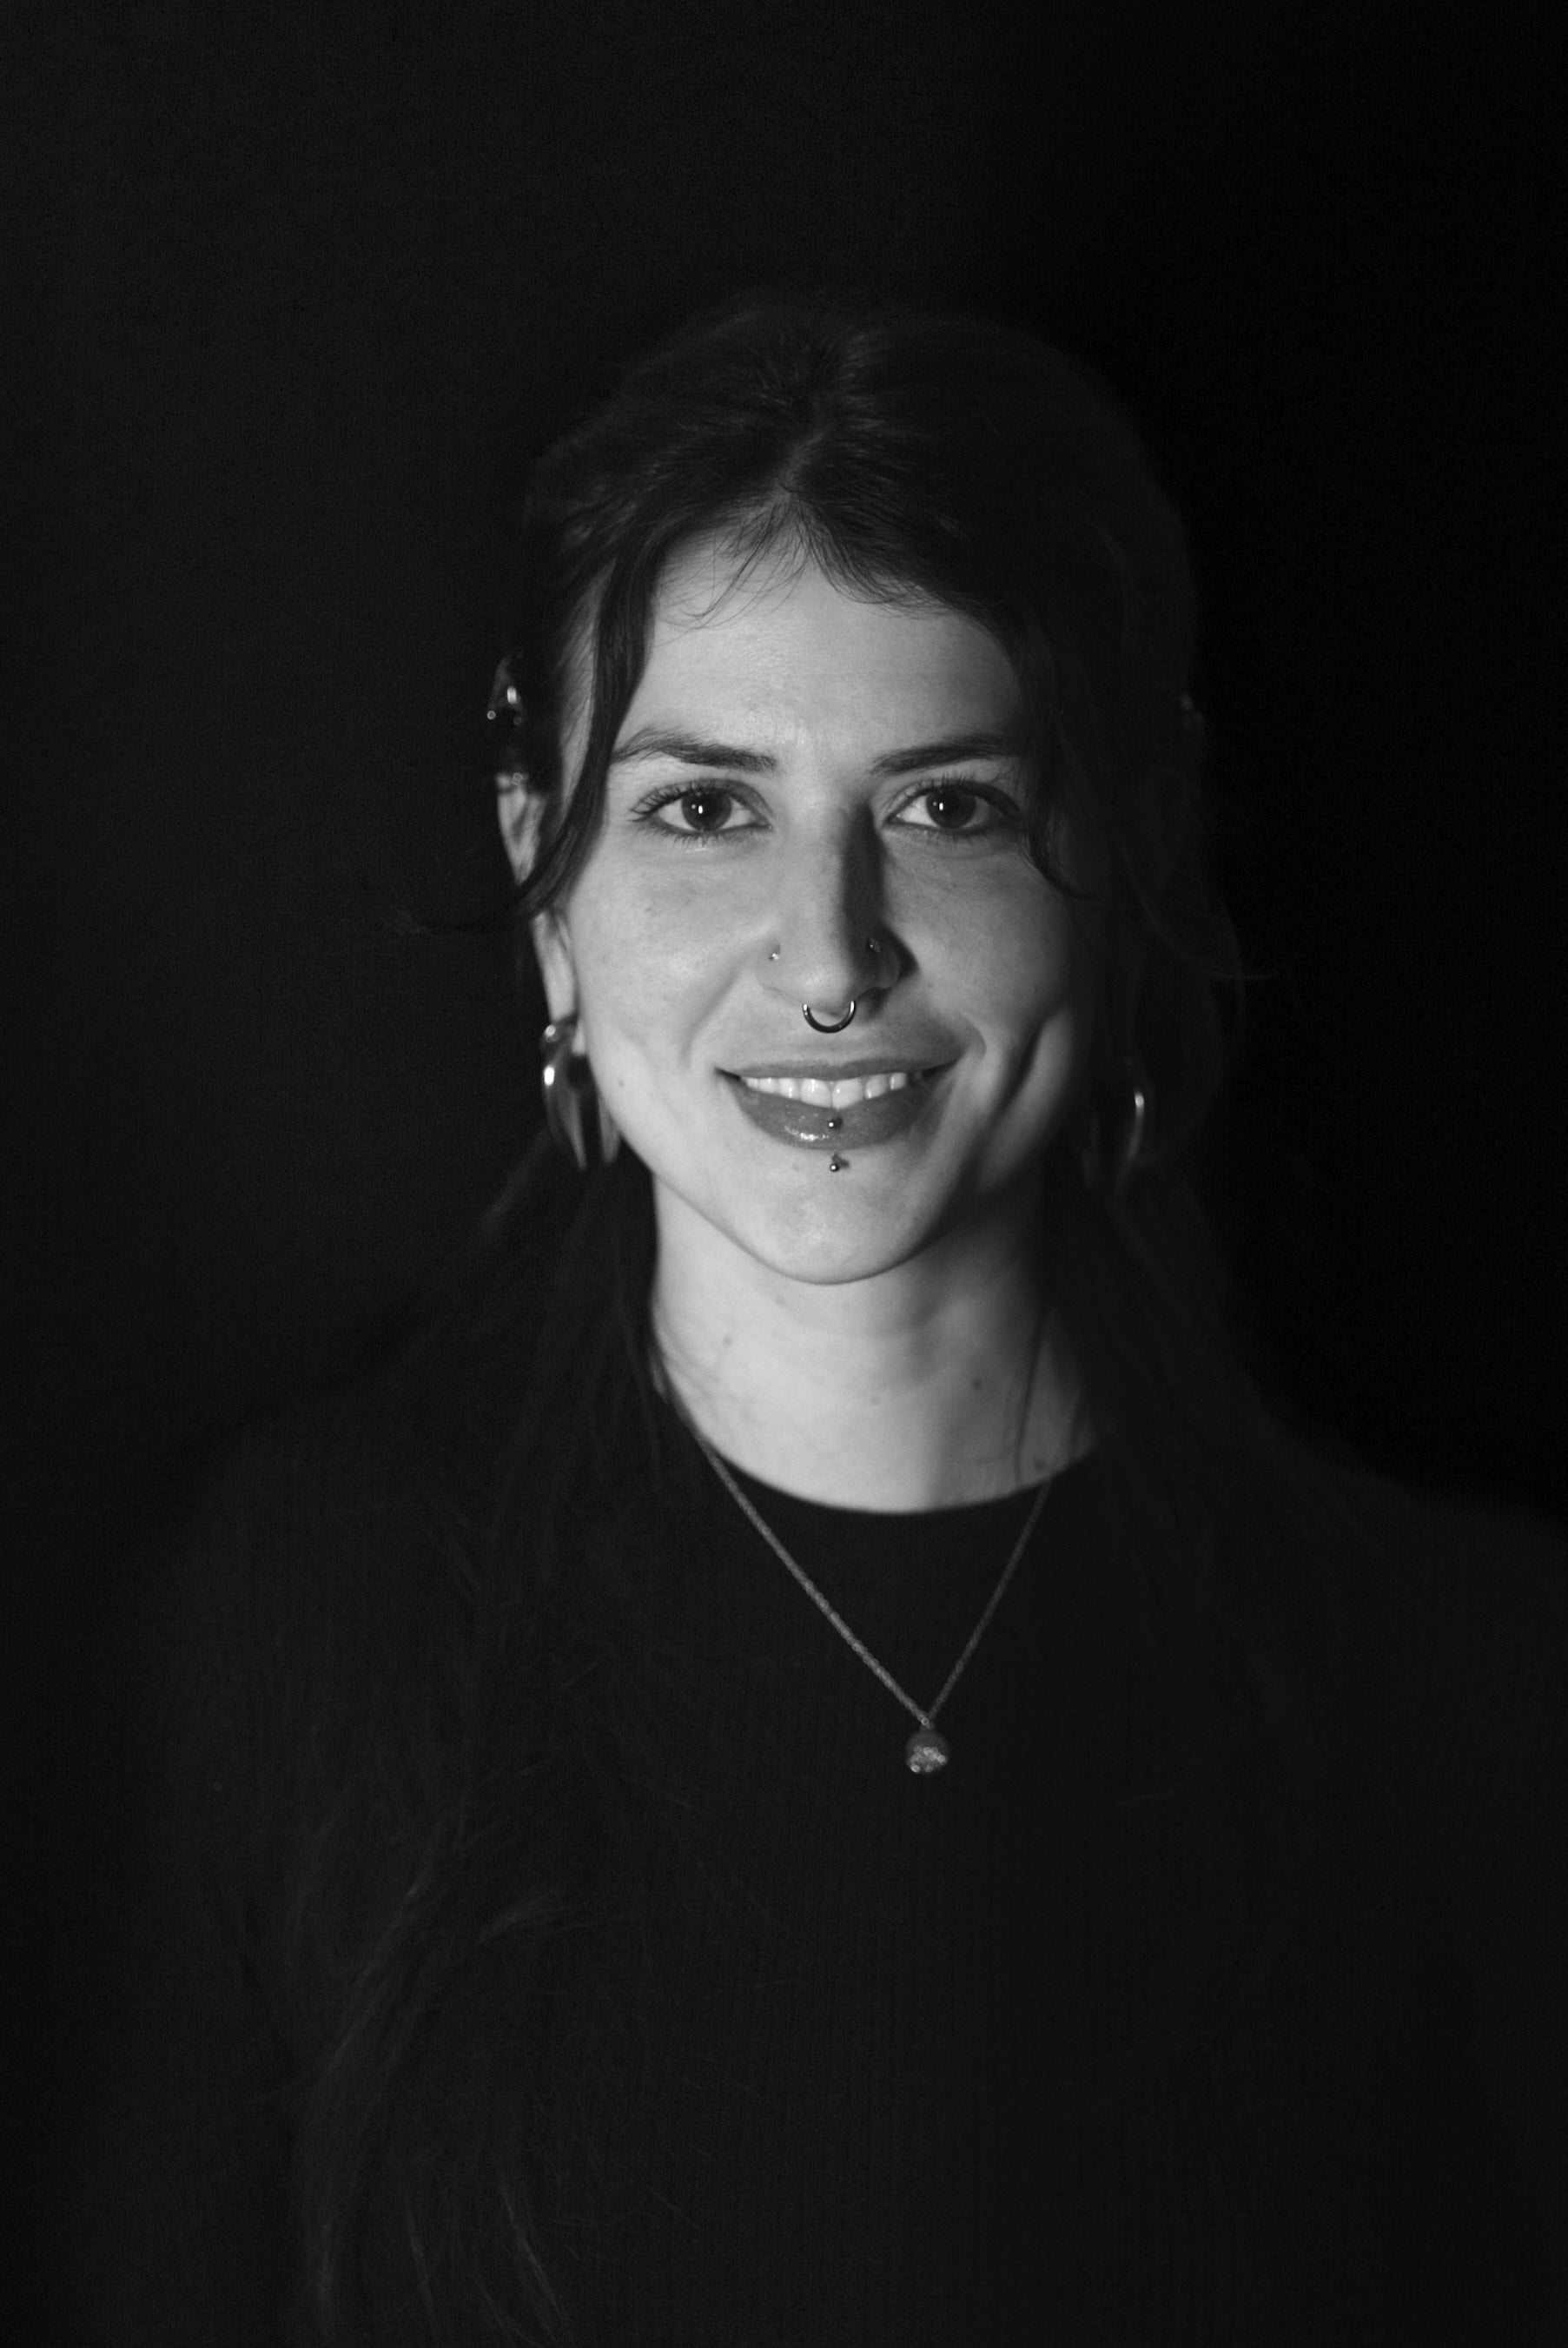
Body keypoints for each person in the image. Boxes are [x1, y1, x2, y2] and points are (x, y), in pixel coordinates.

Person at [51, 289, 1565, 2346]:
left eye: (948, 805)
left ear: (1123, 859)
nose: (832, 956)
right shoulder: (257, 1632)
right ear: (546, 877)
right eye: (706, 806)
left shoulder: (1472, 1689)